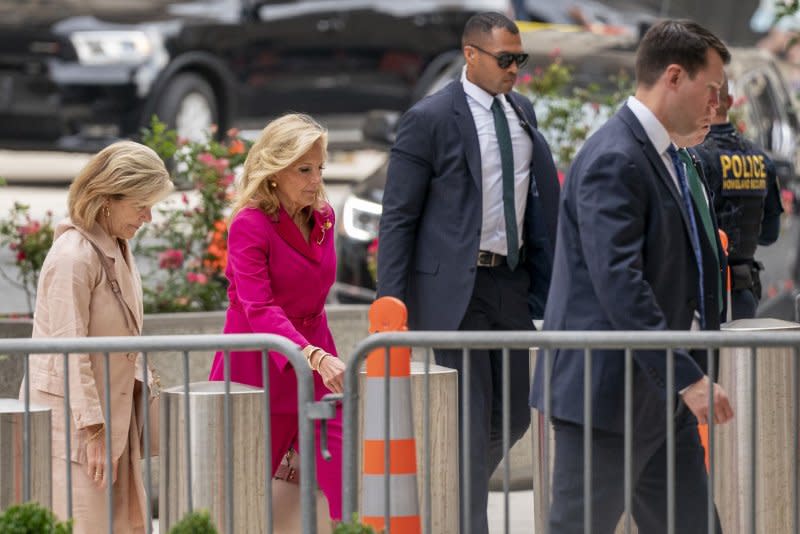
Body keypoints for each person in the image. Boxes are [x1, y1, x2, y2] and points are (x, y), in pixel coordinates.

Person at [530, 20, 735, 533]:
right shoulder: (616, 158)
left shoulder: (662, 155)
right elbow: (619, 282)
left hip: (654, 394)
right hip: (609, 399)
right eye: (711, 89)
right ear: (673, 76)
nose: (717, 105)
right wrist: (686, 376)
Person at [376, 12, 560, 534]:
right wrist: (391, 304)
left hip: (510, 283)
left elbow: (536, 204)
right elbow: (399, 217)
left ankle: (451, 495)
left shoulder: (521, 112)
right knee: (469, 424)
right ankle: (465, 521)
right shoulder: (430, 118)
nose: (514, 69)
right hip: (455, 292)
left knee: (514, 418)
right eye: (505, 59)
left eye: (519, 59)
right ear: (471, 55)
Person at [21, 141, 174, 533]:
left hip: (110, 418)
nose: (148, 217)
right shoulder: (73, 256)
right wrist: (93, 431)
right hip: (79, 427)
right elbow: (68, 350)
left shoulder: (116, 245)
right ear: (108, 198)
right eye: (141, 204)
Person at [207, 113, 345, 523]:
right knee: (240, 497)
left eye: (319, 168)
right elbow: (259, 307)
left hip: (318, 364)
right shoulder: (250, 224)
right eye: (304, 169)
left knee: (344, 476)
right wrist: (314, 356)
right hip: (258, 369)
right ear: (273, 171)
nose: (315, 179)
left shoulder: (324, 217)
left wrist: (319, 357)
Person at [692, 76, 783, 319]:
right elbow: (769, 235)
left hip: (706, 292)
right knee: (743, 355)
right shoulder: (760, 158)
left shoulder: (694, 157)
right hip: (745, 288)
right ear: (730, 102)